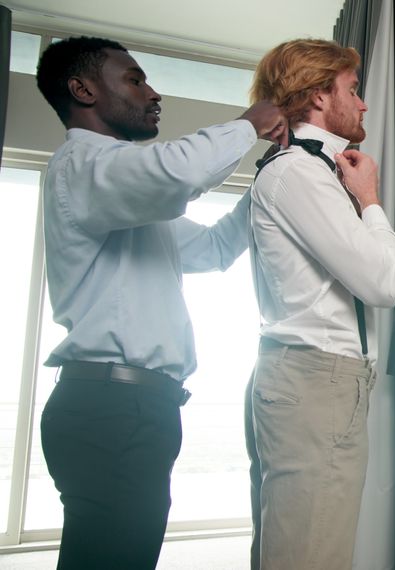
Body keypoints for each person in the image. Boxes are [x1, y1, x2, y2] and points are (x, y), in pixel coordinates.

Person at [33, 36, 287, 569]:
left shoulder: (124, 196)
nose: (152, 93)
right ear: (82, 90)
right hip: (111, 409)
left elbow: (216, 249)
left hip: (134, 409)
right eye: (134, 79)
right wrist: (250, 123)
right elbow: (179, 172)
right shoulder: (83, 167)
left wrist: (269, 175)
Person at [245, 39, 395, 570]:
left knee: (302, 547)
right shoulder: (300, 172)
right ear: (317, 96)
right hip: (317, 382)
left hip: (319, 382)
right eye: (353, 90)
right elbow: (383, 284)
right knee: (310, 555)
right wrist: (371, 200)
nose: (362, 105)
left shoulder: (311, 171)